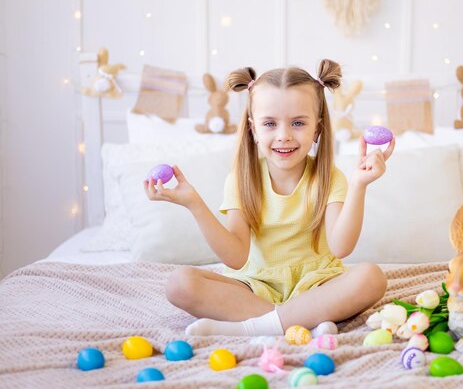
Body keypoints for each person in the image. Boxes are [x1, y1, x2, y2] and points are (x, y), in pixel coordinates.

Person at [144, 59, 395, 337]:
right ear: (253, 129)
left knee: (371, 277)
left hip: (317, 285)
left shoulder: (330, 177)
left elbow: (341, 248)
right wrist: (194, 203)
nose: (284, 136)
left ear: (317, 129)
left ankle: (254, 327)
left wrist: (360, 184)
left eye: (298, 123)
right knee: (179, 283)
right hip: (255, 286)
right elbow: (236, 258)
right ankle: (301, 322)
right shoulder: (241, 180)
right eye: (270, 124)